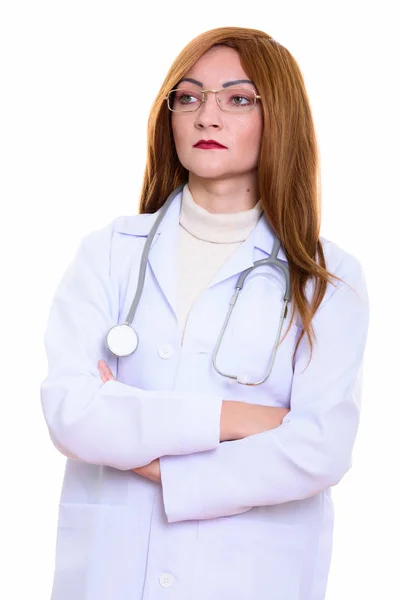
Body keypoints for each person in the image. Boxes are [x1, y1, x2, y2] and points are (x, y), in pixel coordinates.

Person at [40, 26, 369, 600]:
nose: (206, 117)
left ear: (279, 118)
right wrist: (241, 418)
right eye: (188, 97)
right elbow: (72, 411)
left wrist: (160, 462)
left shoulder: (324, 277)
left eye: (238, 99)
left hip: (249, 577)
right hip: (111, 573)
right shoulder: (110, 252)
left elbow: (318, 449)